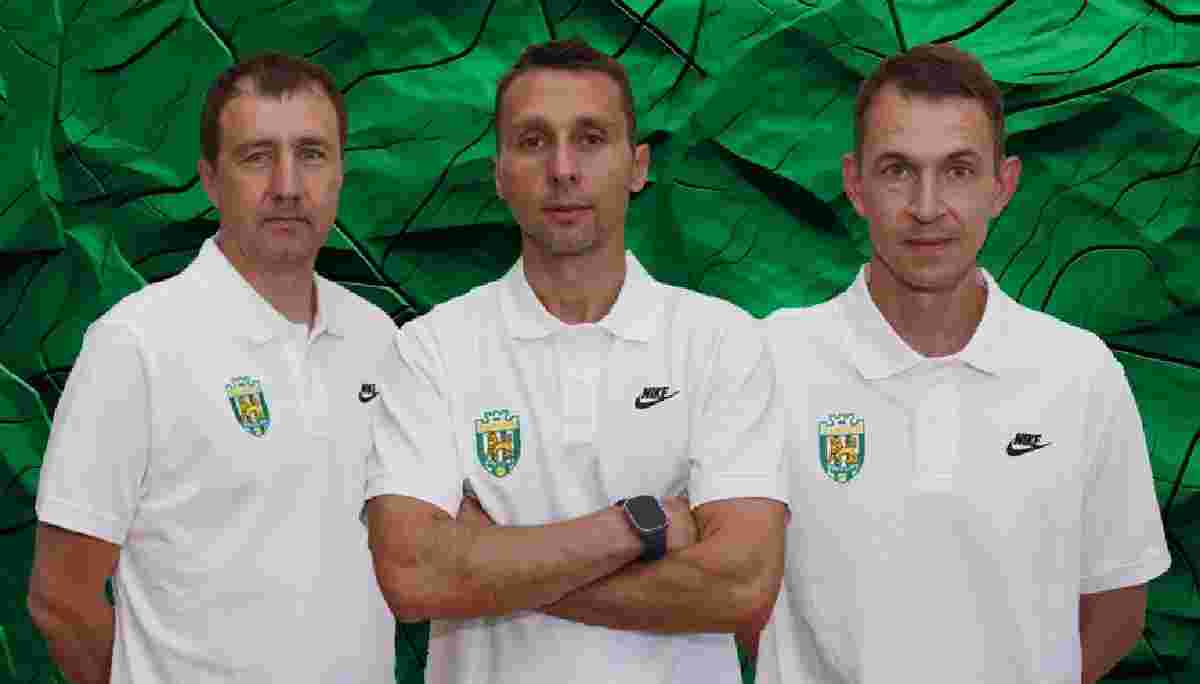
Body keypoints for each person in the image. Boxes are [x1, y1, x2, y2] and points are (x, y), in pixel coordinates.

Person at [363, 38, 789, 683]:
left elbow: (742, 585)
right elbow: (412, 576)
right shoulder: (429, 349)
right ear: (499, 173)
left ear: (637, 166)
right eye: (533, 141)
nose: (562, 169)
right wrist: (638, 528)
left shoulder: (723, 341)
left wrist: (486, 561)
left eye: (590, 139)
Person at [757, 43, 1171, 683]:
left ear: (1002, 186)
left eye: (957, 170)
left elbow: (1117, 604)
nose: (927, 207)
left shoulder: (1081, 373)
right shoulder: (768, 361)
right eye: (898, 170)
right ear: (855, 183)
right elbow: (715, 579)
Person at [27, 53, 396, 683]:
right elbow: (60, 599)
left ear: (340, 173)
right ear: (209, 178)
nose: (287, 185)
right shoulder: (134, 345)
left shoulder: (378, 339)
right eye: (257, 156)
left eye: (311, 154)